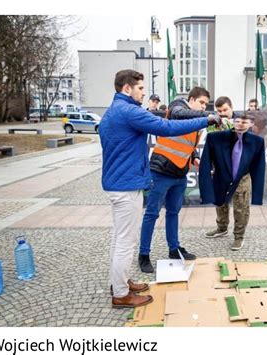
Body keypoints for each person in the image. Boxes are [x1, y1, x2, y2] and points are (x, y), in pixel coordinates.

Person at [99, 70, 220, 308]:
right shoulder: (129, 111)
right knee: (125, 242)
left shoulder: (113, 111)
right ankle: (121, 294)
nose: (144, 93)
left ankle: (121, 282)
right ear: (127, 88)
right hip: (126, 185)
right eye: (141, 88)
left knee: (118, 239)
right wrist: (206, 119)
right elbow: (167, 127)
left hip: (117, 182)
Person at [138, 87, 214, 273]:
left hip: (180, 172)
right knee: (152, 214)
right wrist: (206, 116)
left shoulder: (195, 121)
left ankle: (174, 248)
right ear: (191, 99)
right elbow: (179, 115)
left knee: (173, 212)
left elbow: (186, 142)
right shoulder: (177, 106)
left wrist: (194, 155)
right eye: (201, 102)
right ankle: (144, 255)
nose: (203, 106)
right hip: (161, 170)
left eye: (206, 104)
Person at [199, 113, 266, 251]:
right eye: (238, 121)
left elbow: (259, 167)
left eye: (245, 121)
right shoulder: (216, 138)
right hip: (222, 176)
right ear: (233, 122)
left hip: (242, 177)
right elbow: (206, 160)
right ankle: (222, 227)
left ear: (251, 124)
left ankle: (239, 236)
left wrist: (258, 193)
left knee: (241, 208)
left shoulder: (257, 141)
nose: (241, 124)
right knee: (220, 203)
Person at [205, 96, 245, 240]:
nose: (222, 113)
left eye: (225, 110)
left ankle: (239, 236)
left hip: (238, 170)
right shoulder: (215, 123)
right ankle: (222, 228)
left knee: (240, 204)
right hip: (220, 169)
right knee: (220, 200)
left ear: (232, 108)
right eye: (219, 111)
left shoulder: (242, 121)